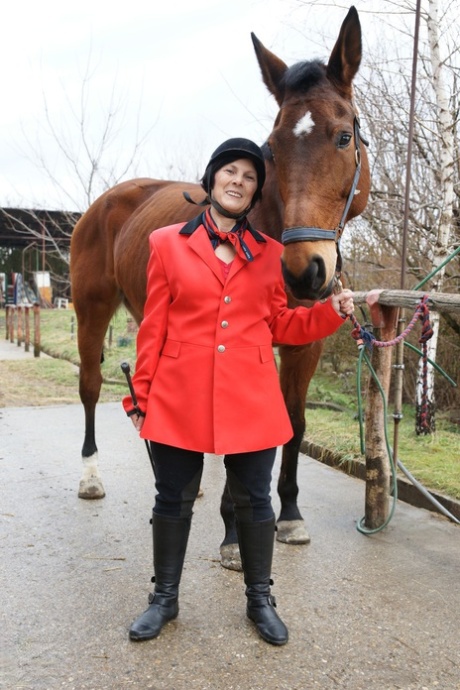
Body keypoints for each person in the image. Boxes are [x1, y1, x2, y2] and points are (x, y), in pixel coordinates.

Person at [122, 137, 354, 646]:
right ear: (212, 179)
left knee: (255, 500)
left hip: (251, 396)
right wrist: (140, 397)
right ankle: (164, 598)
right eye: (230, 172)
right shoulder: (165, 243)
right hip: (177, 394)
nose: (238, 182)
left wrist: (331, 311)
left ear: (255, 194)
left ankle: (260, 599)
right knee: (172, 498)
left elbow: (281, 326)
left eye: (249, 178)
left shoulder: (272, 255)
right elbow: (153, 328)